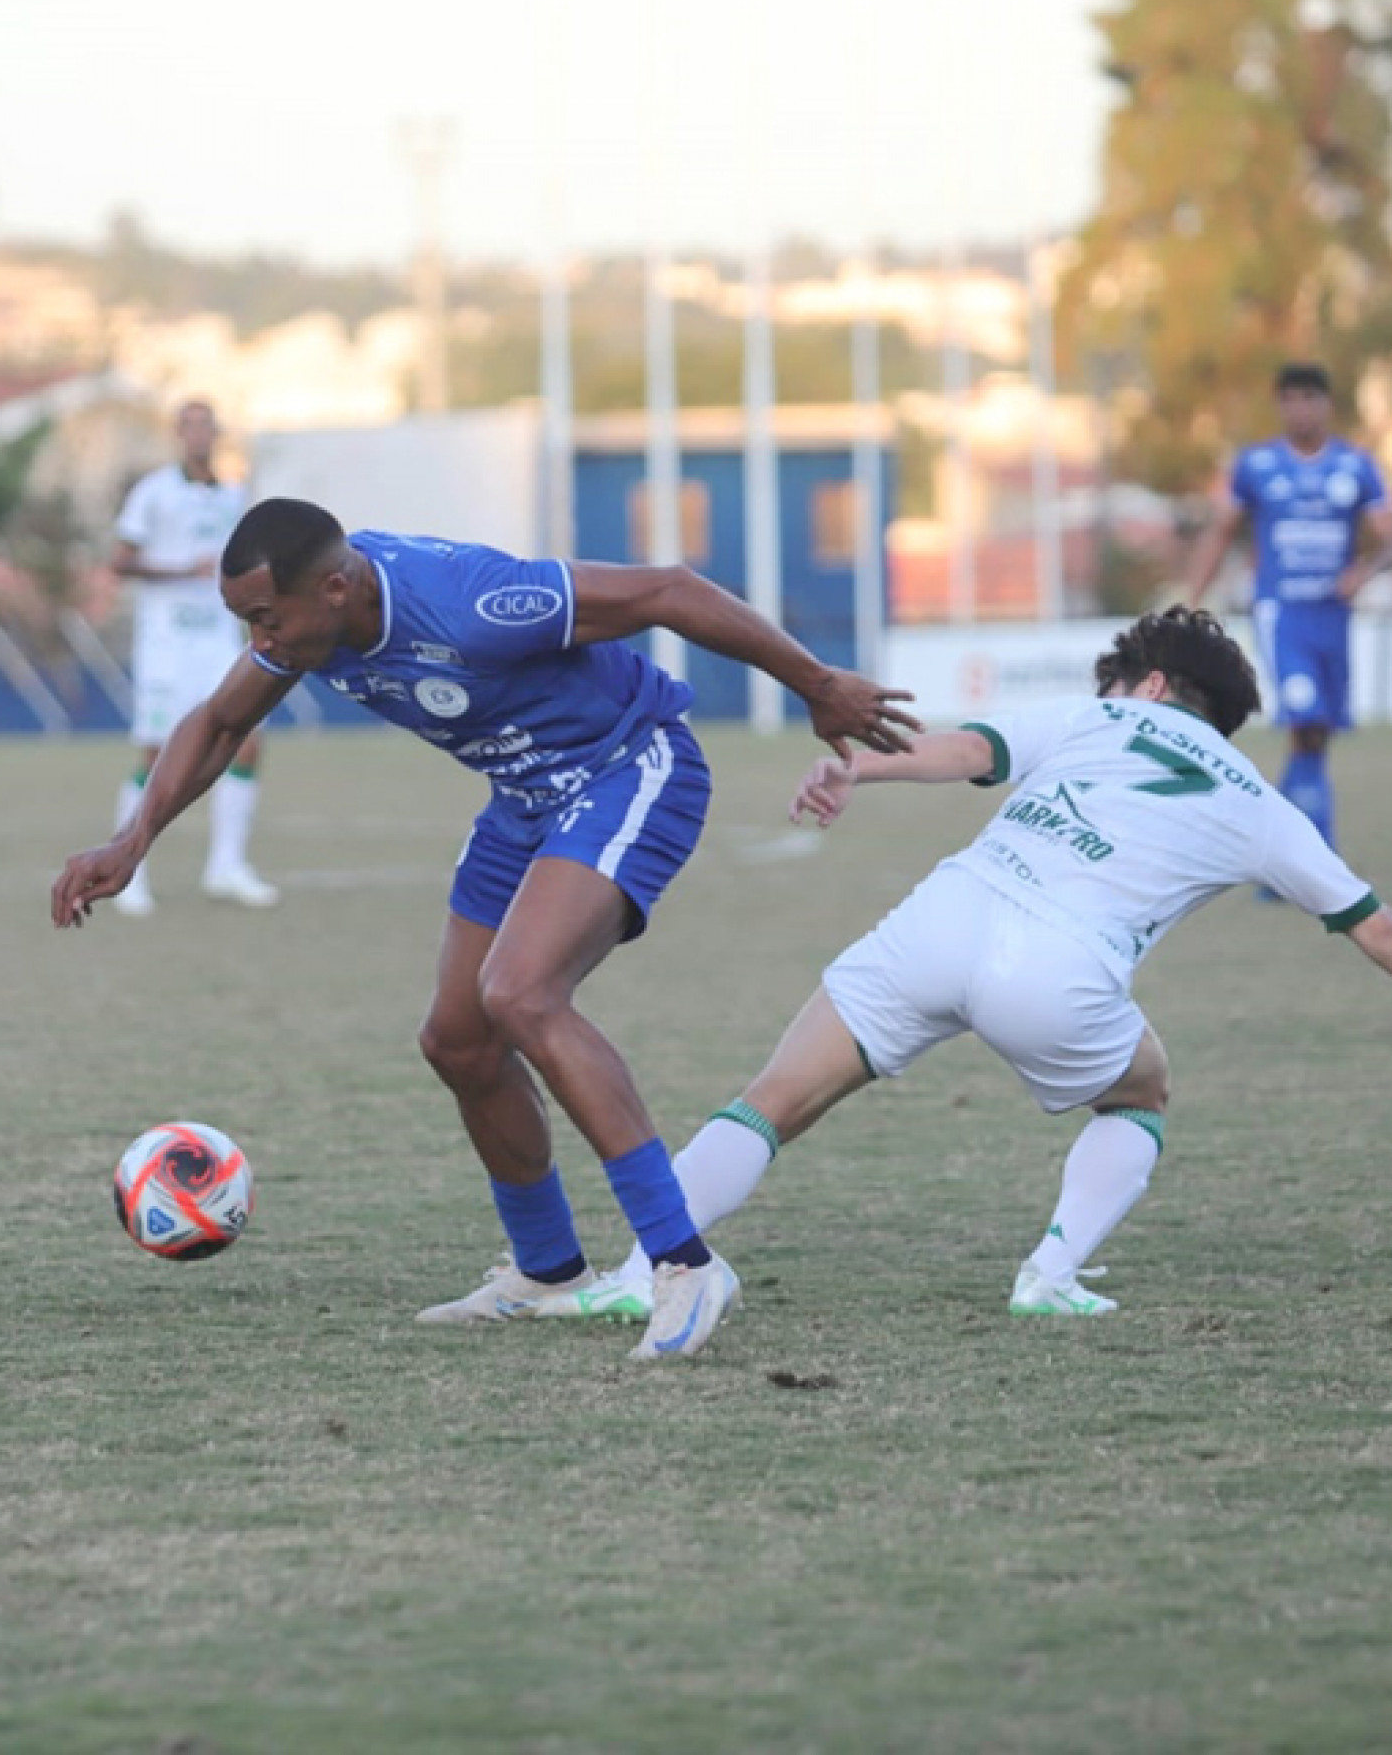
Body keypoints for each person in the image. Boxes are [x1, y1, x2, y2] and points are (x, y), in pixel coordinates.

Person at [50, 498, 920, 1360]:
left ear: (337, 589)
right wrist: (134, 839)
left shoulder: (469, 603)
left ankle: (685, 1263)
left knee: (521, 994)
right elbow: (219, 719)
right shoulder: (309, 626)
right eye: (246, 623)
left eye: (267, 620)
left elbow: (667, 589)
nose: (260, 643)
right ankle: (547, 1272)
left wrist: (818, 683)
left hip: (627, 768)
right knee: (458, 1040)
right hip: (523, 801)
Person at [554, 607, 1392, 1323]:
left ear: (1146, 686)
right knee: (1142, 1092)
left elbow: (966, 751)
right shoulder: (1263, 808)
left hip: (944, 918)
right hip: (1060, 975)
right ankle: (1049, 1275)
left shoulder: (1091, 718)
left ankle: (645, 1272)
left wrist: (863, 766)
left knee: (770, 1099)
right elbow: (1375, 924)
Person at [1182, 362, 1392, 851]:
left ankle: (1280, 849)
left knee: (1318, 731)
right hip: (1281, 614)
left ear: (1327, 404)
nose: (1299, 408)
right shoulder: (1256, 466)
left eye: (1309, 397)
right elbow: (1221, 532)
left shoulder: (1355, 466)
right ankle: (1310, 853)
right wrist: (1191, 601)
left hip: (1333, 618)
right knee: (1304, 718)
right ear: (1280, 406)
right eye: (1290, 399)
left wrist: (1364, 570)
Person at [104, 399, 275, 915]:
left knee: (245, 745)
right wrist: (182, 570)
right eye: (190, 425)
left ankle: (226, 866)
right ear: (178, 433)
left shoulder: (233, 495)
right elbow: (120, 563)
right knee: (157, 755)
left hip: (218, 642)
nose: (199, 434)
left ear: (218, 433)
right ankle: (126, 869)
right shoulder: (153, 492)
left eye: (207, 425)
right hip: (166, 644)